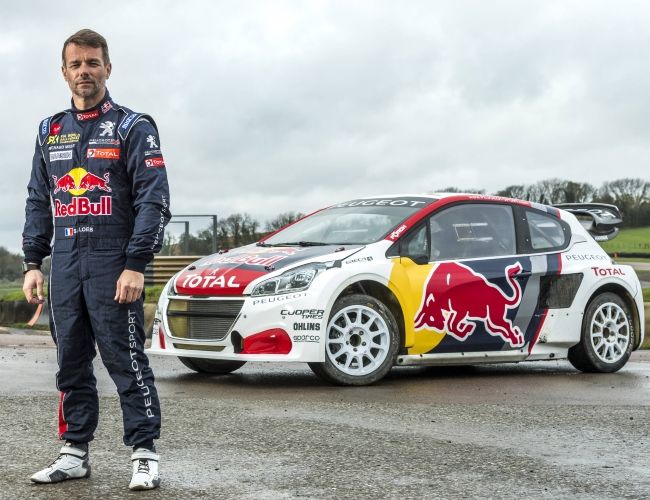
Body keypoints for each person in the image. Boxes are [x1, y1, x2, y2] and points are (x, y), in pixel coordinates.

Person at [22, 29, 171, 491]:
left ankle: (144, 453)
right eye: (76, 64)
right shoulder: (49, 130)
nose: (84, 71)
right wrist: (33, 261)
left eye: (92, 62)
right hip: (65, 264)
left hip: (114, 263)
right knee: (70, 362)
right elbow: (38, 199)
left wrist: (136, 263)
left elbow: (153, 200)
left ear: (108, 68)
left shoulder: (133, 126)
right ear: (64, 72)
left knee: (125, 361)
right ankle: (74, 453)